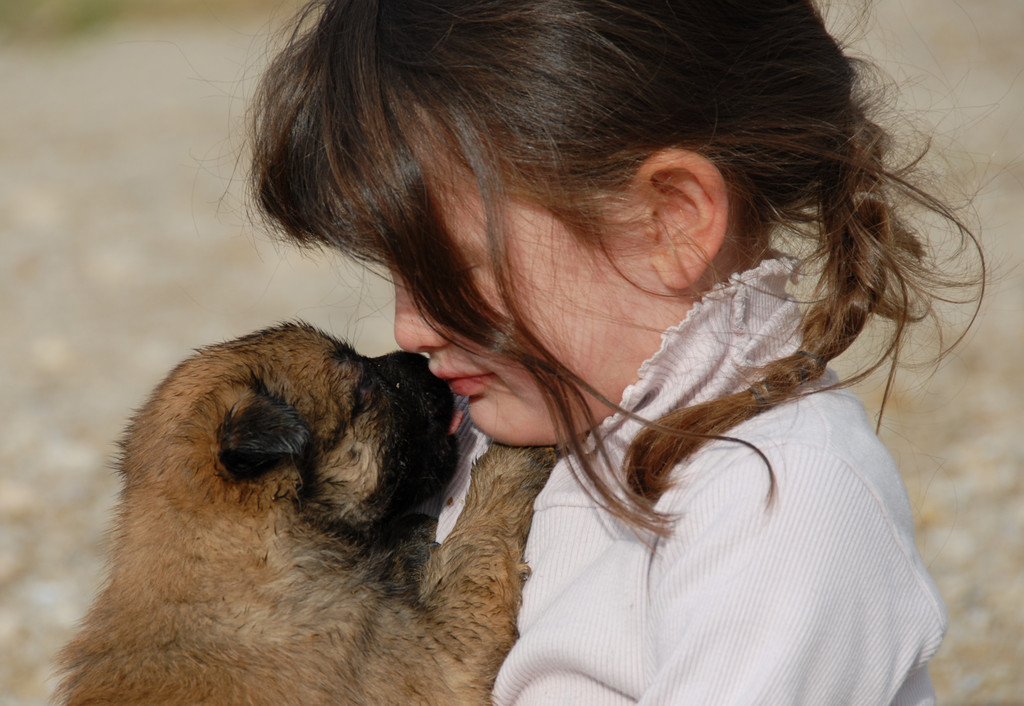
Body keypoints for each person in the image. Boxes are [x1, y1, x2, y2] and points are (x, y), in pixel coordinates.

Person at [248, 0, 982, 703]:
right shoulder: (513, 420)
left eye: (453, 268)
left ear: (670, 222)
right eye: (398, 273)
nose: (409, 329)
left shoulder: (778, 498)